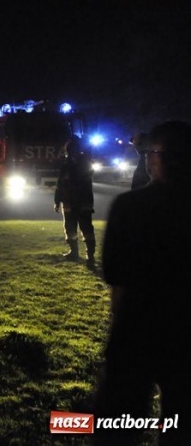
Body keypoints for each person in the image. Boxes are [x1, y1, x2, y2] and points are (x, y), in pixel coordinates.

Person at [93, 120, 191, 445]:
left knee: (120, 422)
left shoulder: (131, 208)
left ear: (156, 158)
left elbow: (118, 283)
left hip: (136, 332)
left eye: (152, 152)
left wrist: (120, 329)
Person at [53, 136, 96, 263]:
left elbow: (62, 184)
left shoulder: (82, 163)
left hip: (80, 202)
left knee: (85, 228)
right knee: (72, 228)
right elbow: (60, 184)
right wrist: (57, 200)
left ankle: (89, 254)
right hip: (73, 202)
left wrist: (57, 200)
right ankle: (76, 252)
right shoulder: (68, 164)